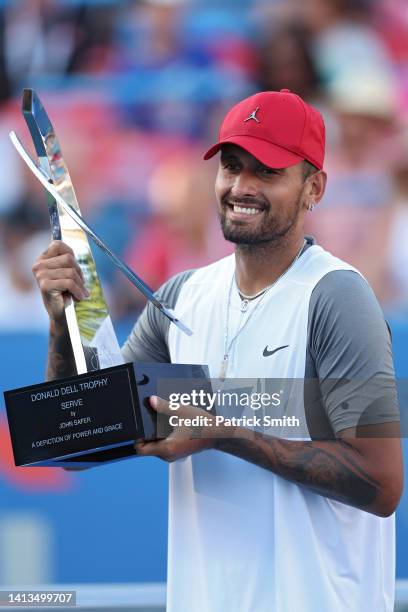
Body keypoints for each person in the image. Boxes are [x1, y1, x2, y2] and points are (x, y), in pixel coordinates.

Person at [32, 89, 403, 612]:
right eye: (232, 166)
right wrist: (62, 322)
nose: (241, 187)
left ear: (313, 187)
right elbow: (70, 442)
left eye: (267, 172)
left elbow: (382, 485)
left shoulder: (337, 295)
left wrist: (223, 434)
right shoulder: (182, 294)